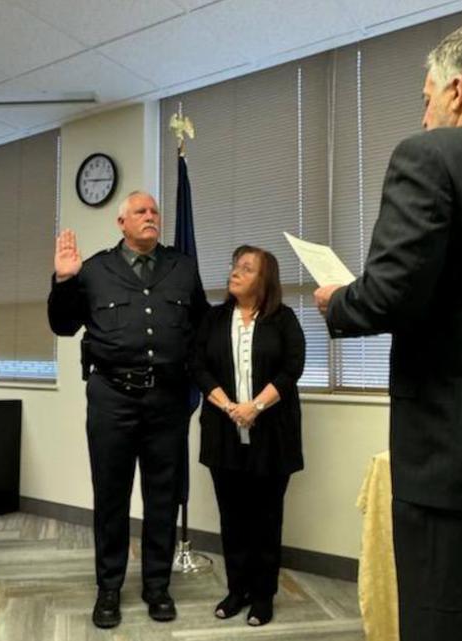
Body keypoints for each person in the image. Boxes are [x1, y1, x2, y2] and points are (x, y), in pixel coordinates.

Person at [313, 19, 462, 641]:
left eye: (424, 97)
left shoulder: (433, 155)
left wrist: (337, 301)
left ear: (457, 91)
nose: (421, 117)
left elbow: (389, 294)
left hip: (460, 461)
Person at [48, 190, 208, 629]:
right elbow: (63, 325)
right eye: (141, 211)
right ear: (121, 223)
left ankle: (157, 586)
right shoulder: (95, 270)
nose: (151, 217)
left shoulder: (182, 267)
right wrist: (63, 280)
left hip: (167, 401)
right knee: (111, 498)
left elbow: (200, 329)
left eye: (155, 211)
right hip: (112, 399)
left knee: (162, 497)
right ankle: (109, 588)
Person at [189, 245, 305, 627]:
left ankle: (263, 595)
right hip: (223, 431)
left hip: (272, 433)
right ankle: (237, 589)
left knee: (266, 518)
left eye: (246, 268)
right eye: (234, 265)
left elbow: (291, 369)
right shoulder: (214, 318)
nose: (235, 272)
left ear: (264, 279)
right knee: (232, 516)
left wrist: (254, 407)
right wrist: (230, 408)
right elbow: (199, 366)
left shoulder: (283, 319)